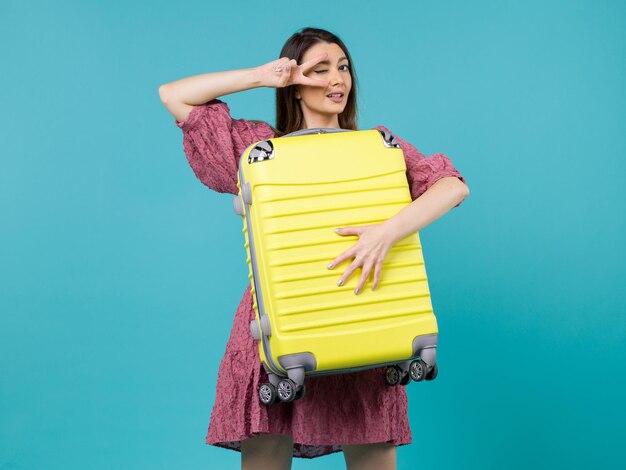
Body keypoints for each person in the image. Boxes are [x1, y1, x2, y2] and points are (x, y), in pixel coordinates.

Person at [159, 27, 469, 470]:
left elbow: (452, 186)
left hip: (362, 322)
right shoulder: (262, 151)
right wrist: (263, 75)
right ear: (296, 85)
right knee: (266, 452)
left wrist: (386, 232)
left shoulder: (378, 149)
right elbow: (175, 96)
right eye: (320, 70)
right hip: (282, 326)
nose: (336, 79)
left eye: (342, 67)